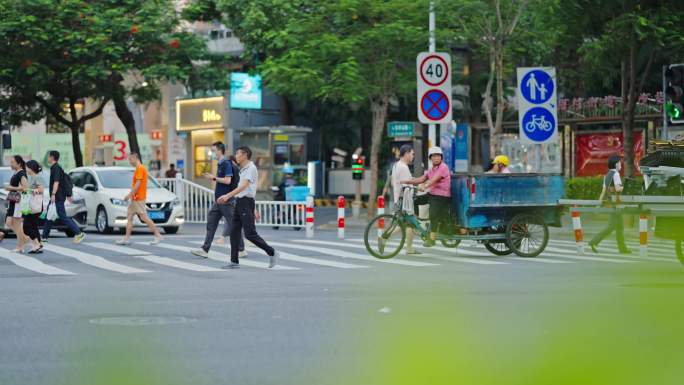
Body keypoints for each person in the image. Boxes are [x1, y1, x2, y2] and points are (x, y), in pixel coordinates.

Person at [217, 146, 279, 269]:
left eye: (237, 153)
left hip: (245, 203)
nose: (236, 155)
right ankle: (234, 262)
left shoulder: (251, 168)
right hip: (240, 202)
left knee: (250, 234)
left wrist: (227, 196)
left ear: (245, 155)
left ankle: (272, 252)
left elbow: (244, 187)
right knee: (234, 232)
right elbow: (249, 189)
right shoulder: (243, 169)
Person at [190, 142, 240, 258]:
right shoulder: (220, 163)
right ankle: (204, 249)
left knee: (233, 225)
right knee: (211, 223)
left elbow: (228, 181)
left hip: (226, 200)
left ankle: (241, 249)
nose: (211, 153)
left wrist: (213, 177)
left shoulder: (226, 163)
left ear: (219, 150)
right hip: (218, 201)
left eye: (213, 150)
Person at [402, 146, 452, 247]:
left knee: (433, 214)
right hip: (432, 194)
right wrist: (407, 181)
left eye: (438, 156)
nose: (436, 158)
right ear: (430, 158)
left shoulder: (443, 167)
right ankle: (416, 220)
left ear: (441, 157)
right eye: (434, 156)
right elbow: (422, 178)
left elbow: (434, 179)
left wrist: (425, 186)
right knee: (414, 200)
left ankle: (432, 239)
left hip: (442, 196)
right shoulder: (431, 169)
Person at [116, 152, 163, 245]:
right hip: (135, 198)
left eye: (130, 159)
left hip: (138, 198)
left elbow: (138, 184)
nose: (129, 161)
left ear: (135, 158)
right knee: (130, 217)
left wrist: (129, 195)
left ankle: (158, 235)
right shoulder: (138, 168)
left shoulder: (140, 168)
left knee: (144, 217)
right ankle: (126, 238)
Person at [589, 155, 631, 254]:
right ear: (616, 164)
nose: (621, 164)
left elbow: (603, 191)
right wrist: (625, 187)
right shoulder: (616, 174)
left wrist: (598, 204)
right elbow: (618, 189)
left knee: (619, 227)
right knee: (612, 226)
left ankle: (623, 249)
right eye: (620, 163)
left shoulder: (607, 175)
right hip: (616, 203)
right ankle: (594, 241)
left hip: (611, 202)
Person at [42, 150, 85, 243]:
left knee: (62, 216)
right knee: (49, 216)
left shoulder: (56, 168)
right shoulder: (55, 167)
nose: (48, 158)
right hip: (56, 196)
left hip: (57, 196)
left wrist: (53, 194)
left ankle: (79, 233)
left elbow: (56, 182)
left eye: (49, 156)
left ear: (52, 157)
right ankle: (44, 237)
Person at [215, 155, 248, 258]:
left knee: (234, 223)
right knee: (233, 223)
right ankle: (240, 248)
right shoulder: (238, 170)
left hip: (233, 199)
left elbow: (235, 185)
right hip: (234, 199)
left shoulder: (236, 170)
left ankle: (241, 248)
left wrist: (229, 196)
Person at [391, 144, 420, 255]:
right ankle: (384, 238)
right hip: (405, 202)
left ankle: (409, 248)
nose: (413, 156)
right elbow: (406, 184)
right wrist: (418, 187)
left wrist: (413, 180)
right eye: (412, 154)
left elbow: (401, 181)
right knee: (407, 224)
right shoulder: (403, 167)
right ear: (407, 153)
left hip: (398, 199)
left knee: (405, 225)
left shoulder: (396, 165)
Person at [5, 155, 29, 253]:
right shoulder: (17, 173)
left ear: (18, 163)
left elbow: (25, 187)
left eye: (12, 162)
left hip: (18, 201)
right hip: (13, 200)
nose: (10, 164)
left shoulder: (21, 173)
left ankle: (20, 246)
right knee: (9, 222)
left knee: (16, 224)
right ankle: (24, 238)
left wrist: (11, 188)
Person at [23, 160, 45, 254]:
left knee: (26, 227)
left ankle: (37, 244)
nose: (26, 169)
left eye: (27, 167)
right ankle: (38, 245)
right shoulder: (31, 178)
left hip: (35, 206)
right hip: (31, 206)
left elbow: (41, 190)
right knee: (33, 226)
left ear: (31, 168)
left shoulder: (37, 178)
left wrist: (29, 190)